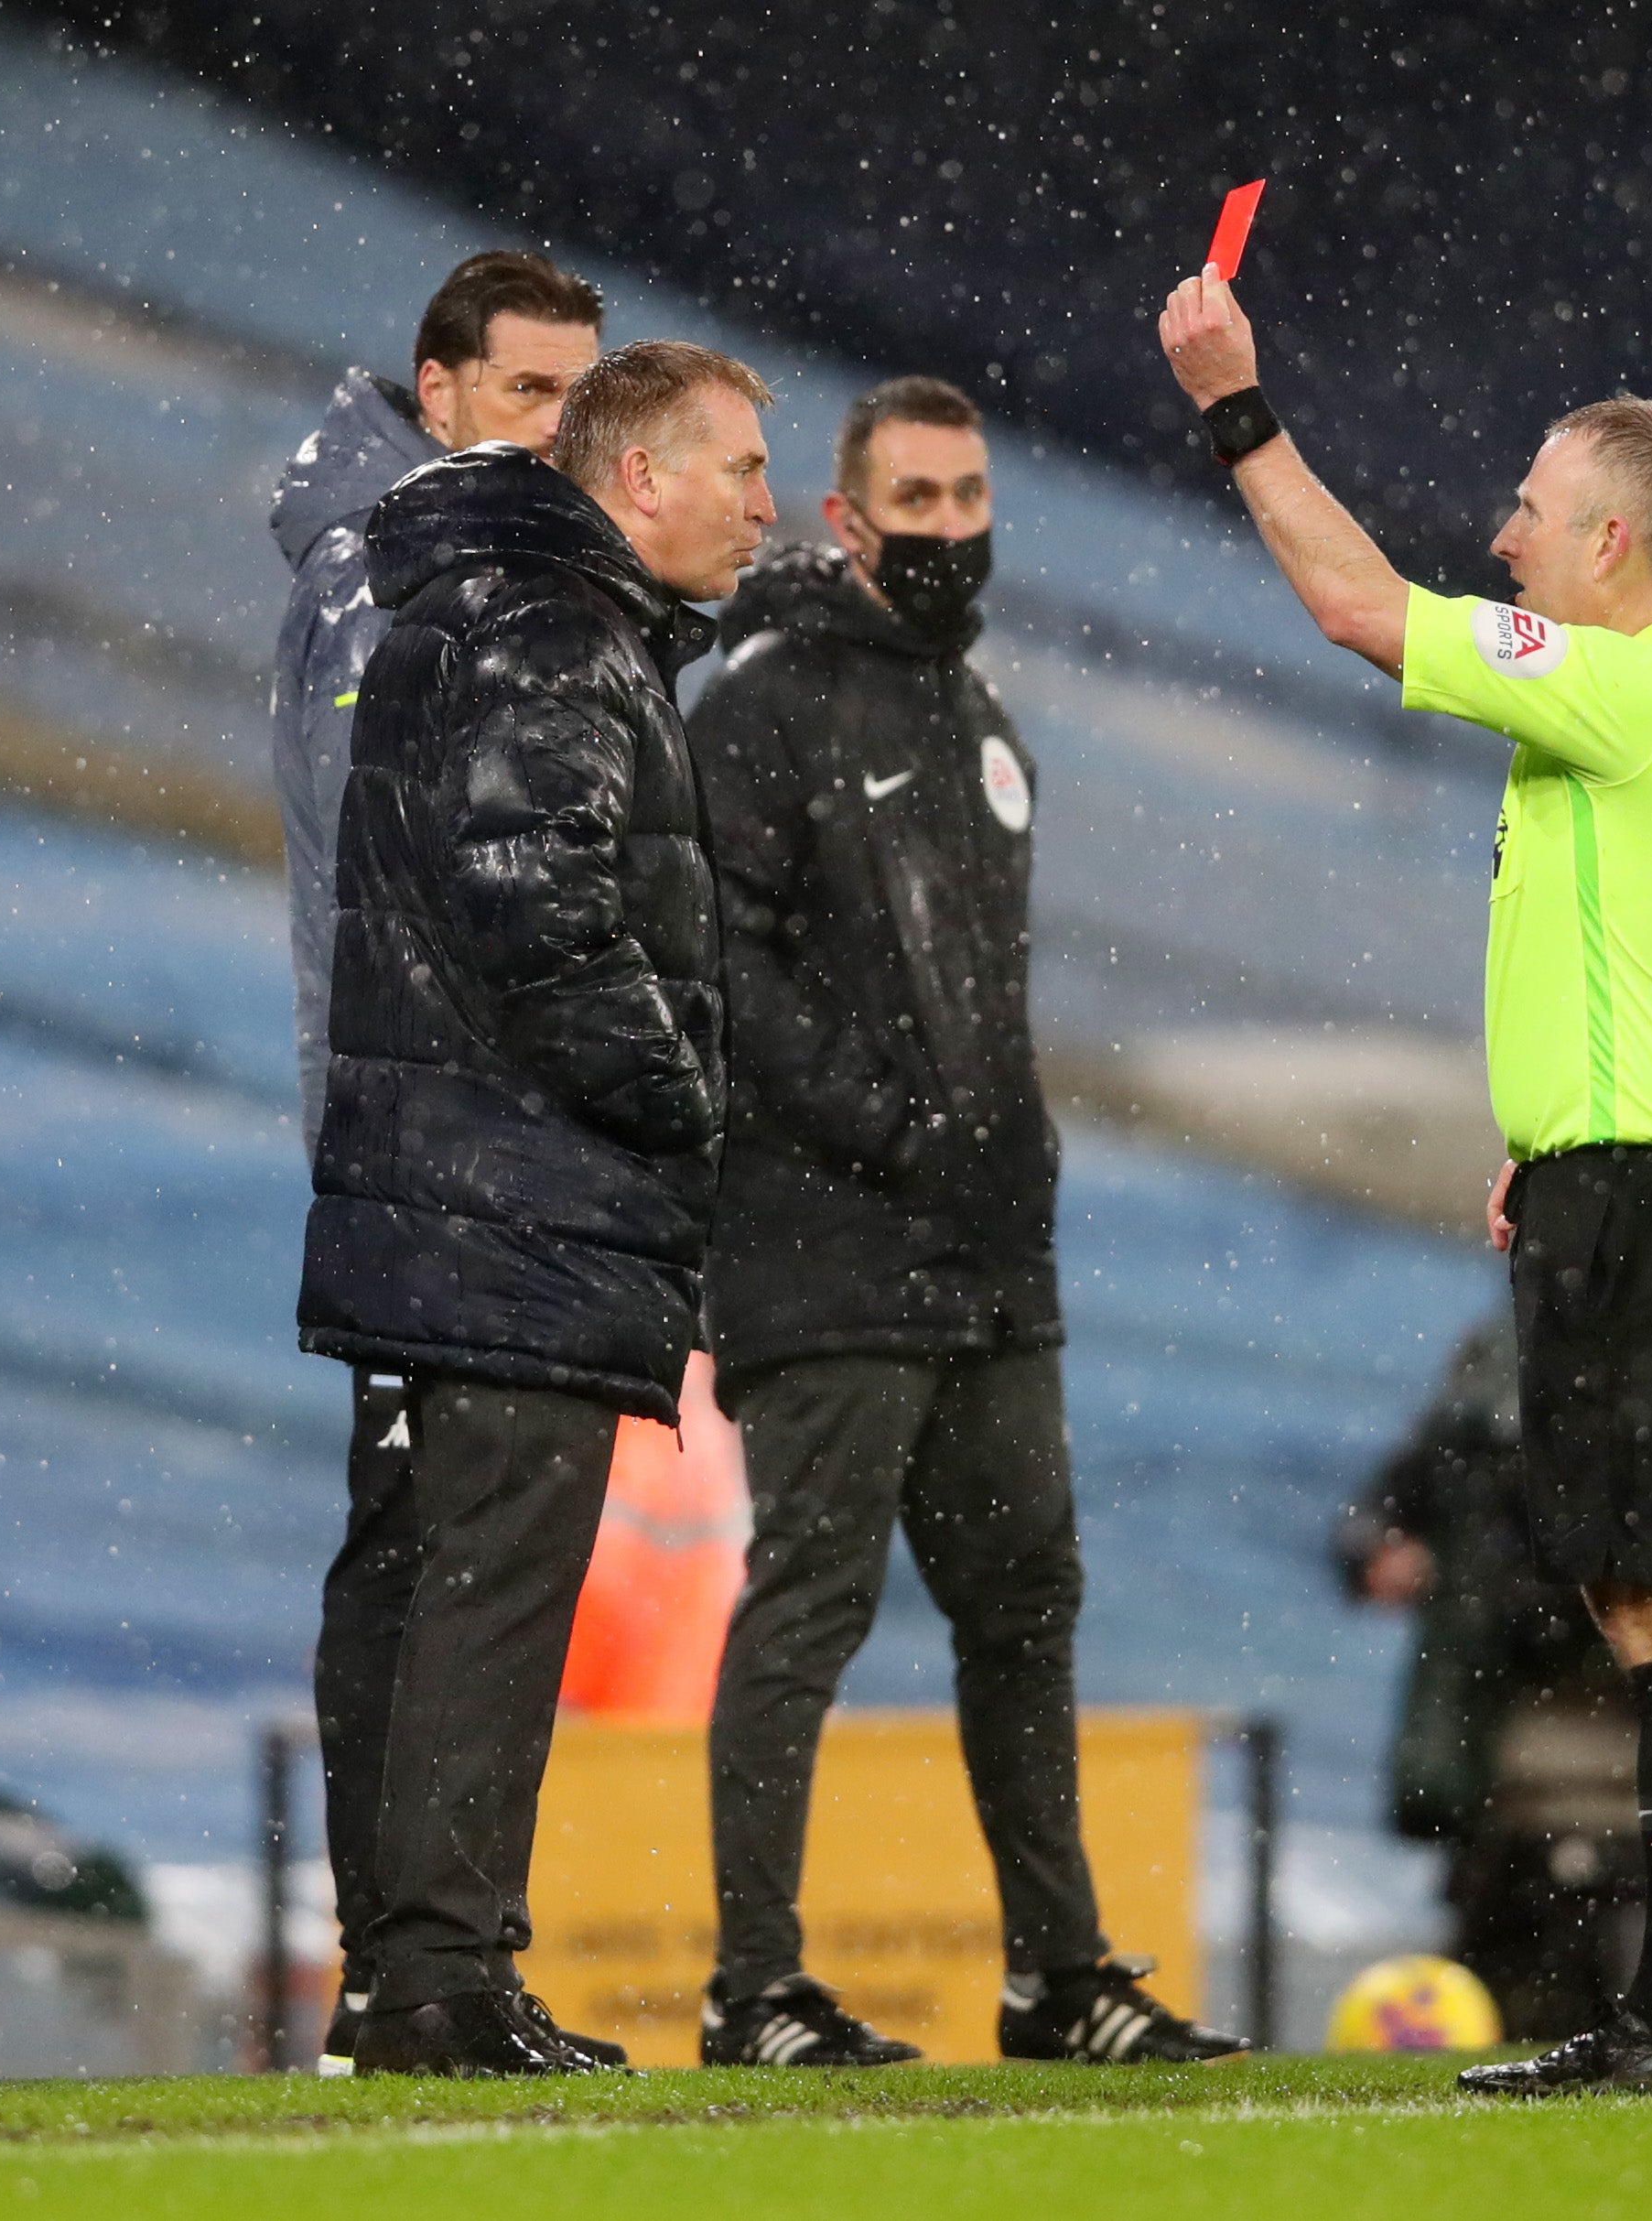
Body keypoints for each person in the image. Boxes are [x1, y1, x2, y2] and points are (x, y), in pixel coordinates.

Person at [1156, 269, 1652, 2097]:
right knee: (1632, 1578)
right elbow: (1636, 957)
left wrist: (1236, 407)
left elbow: (1359, 608)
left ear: (1612, 540)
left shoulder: (1651, 689)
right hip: (1629, 1176)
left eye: (1530, 512)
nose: (1503, 537)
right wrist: (1552, 1144)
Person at [687, 376, 1245, 2069]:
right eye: (911, 501)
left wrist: (995, 1163)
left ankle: (1056, 1978)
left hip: (989, 1258)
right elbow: (726, 974)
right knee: (808, 1610)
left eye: (966, 497)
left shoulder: (978, 717)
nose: (946, 529)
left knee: (1025, 1606)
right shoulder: (755, 706)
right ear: (839, 522)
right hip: (827, 1247)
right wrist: (895, 1132)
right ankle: (753, 1994)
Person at [297, 339, 778, 2077]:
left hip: (468, 1188)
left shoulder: (507, 611)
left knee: (454, 1587)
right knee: (489, 1592)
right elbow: (537, 907)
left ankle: (430, 1972)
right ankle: (436, 1980)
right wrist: (681, 1098)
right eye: (735, 471)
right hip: (517, 1196)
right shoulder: (556, 630)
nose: (762, 507)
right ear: (638, 479)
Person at [268, 247, 607, 2080]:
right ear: (445, 386)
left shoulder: (462, 571)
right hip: (428, 1145)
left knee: (427, 1543)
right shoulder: (395, 575)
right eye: (535, 393)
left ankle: (415, 1976)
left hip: (450, 1140)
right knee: (434, 1555)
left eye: (583, 391)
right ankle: (414, 1978)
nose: (565, 429)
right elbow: (413, 864)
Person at [1335, 1313, 1652, 2042]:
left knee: (1639, 1952)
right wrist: (1379, 1550)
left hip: (1632, 1732)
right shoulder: (1493, 1392)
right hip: (1518, 1737)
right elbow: (1383, 1512)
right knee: (1514, 1965)